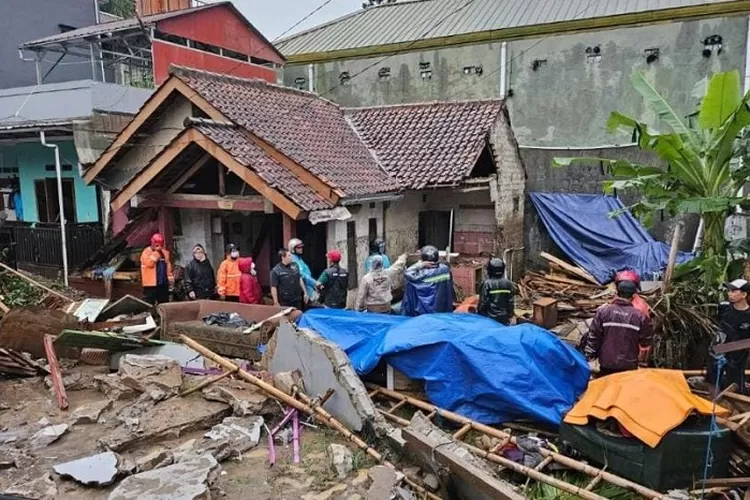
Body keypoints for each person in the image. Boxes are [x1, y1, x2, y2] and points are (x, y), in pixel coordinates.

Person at [583, 275, 653, 376]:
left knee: (607, 389)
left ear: (617, 293)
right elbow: (646, 342)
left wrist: (589, 357)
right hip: (628, 365)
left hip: (607, 363)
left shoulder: (603, 312)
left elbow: (594, 336)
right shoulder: (640, 316)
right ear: (633, 296)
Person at [707, 279, 750, 395]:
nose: (729, 293)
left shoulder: (748, 316)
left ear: (744, 295)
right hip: (717, 351)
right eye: (729, 290)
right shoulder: (723, 308)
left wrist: (731, 347)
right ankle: (713, 406)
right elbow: (719, 326)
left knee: (735, 384)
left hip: (737, 356)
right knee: (712, 379)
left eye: (734, 291)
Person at [402, 245, 455, 316]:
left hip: (424, 311)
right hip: (442, 310)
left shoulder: (422, 274)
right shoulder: (445, 269)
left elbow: (407, 273)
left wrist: (420, 265)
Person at [477, 257, 515, 325]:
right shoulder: (508, 284)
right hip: (504, 318)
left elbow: (483, 302)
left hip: (489, 318)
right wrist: (510, 315)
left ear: (490, 270)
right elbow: (510, 302)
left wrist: (480, 316)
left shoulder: (486, 284)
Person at [140, 233, 174, 305]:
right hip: (150, 284)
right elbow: (149, 264)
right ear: (152, 243)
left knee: (164, 304)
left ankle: (162, 316)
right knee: (149, 304)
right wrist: (157, 254)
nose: (159, 247)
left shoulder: (165, 253)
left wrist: (170, 278)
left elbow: (168, 266)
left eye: (161, 245)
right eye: (157, 245)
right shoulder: (146, 252)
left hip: (163, 283)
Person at [288, 238, 317, 303]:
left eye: (301, 247)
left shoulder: (299, 258)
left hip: (308, 288)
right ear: (293, 249)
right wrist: (315, 283)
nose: (301, 249)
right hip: (303, 289)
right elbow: (302, 275)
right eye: (298, 247)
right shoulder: (294, 259)